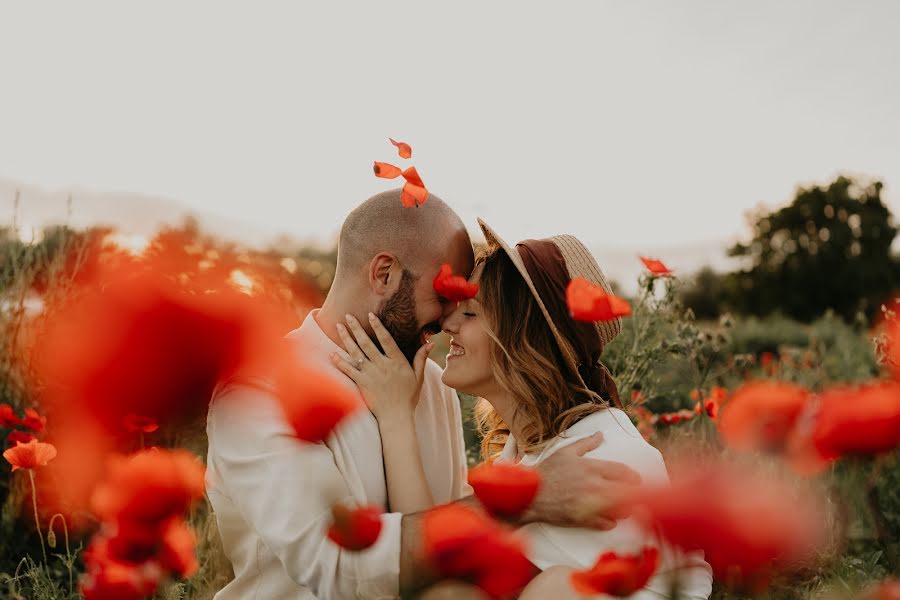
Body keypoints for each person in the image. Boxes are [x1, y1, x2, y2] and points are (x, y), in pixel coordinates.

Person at [206, 191, 644, 599]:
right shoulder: (258, 393)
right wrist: (520, 502)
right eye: (444, 294)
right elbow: (337, 566)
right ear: (385, 273)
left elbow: (448, 563)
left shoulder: (434, 386)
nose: (450, 316)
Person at [334, 218, 713, 599]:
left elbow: (435, 582)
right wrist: (398, 415)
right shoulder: (530, 450)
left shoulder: (601, 455)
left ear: (522, 340)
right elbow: (438, 566)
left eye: (470, 313)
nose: (446, 321)